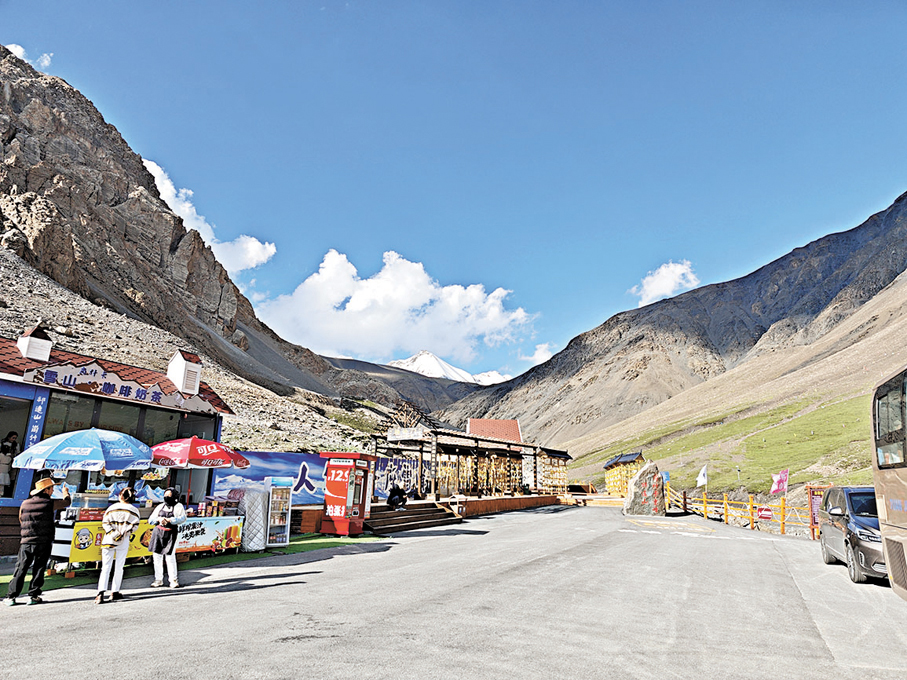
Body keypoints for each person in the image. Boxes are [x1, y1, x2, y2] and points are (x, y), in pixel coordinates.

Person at [5, 476, 71, 606]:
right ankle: (33, 595)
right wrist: (65, 492)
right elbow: (66, 502)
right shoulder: (50, 503)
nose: (52, 491)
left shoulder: (24, 503)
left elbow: (20, 519)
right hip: (44, 541)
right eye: (51, 488)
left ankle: (11, 597)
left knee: (21, 568)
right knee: (39, 568)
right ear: (46, 490)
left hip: (26, 540)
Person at [95, 487, 140, 604]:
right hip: (123, 540)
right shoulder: (134, 510)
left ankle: (100, 593)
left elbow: (105, 523)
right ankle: (115, 591)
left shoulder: (112, 508)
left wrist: (113, 533)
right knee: (119, 566)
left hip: (108, 539)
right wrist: (124, 533)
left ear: (120, 496)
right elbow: (135, 527)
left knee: (106, 567)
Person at [148, 487, 186, 588]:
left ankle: (173, 580)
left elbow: (182, 518)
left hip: (170, 533)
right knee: (157, 557)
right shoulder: (160, 506)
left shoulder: (179, 507)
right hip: (158, 532)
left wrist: (170, 520)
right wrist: (159, 519)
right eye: (165, 496)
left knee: (170, 557)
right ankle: (158, 579)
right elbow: (150, 520)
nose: (167, 498)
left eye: (169, 496)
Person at [0, 431, 16, 497]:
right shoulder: (8, 456)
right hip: (4, 469)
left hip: (4, 469)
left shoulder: (8, 456)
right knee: (2, 485)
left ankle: (1, 494)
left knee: (2, 485)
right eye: (13, 438)